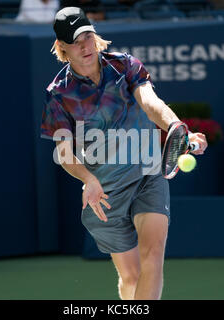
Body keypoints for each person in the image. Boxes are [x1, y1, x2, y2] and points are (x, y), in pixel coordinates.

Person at [40, 7, 207, 300]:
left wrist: (176, 126)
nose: (84, 45)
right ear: (61, 47)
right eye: (75, 41)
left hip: (147, 176)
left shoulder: (126, 66)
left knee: (153, 255)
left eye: (87, 36)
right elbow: (64, 152)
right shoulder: (58, 94)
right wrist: (88, 178)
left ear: (95, 35)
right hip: (105, 192)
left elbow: (150, 101)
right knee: (130, 277)